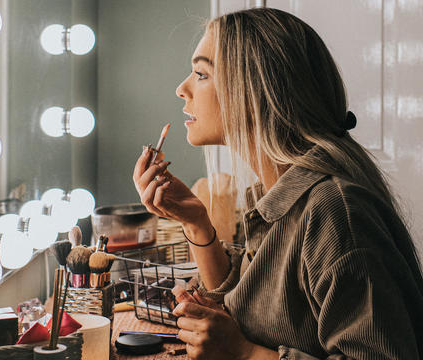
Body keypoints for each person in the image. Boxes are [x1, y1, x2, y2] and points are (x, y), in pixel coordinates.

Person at [133, 8, 423, 360]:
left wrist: (243, 353)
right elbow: (257, 307)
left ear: (255, 90)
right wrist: (195, 220)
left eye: (201, 73)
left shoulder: (332, 212)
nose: (182, 89)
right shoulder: (277, 195)